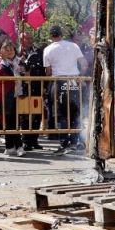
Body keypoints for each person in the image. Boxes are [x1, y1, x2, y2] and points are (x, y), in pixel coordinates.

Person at [43, 25, 87, 155]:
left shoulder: (48, 49)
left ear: (51, 36)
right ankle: (74, 142)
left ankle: (64, 143)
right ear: (61, 34)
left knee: (62, 114)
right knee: (75, 113)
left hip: (59, 82)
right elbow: (84, 64)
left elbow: (48, 71)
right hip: (74, 81)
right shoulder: (73, 46)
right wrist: (79, 77)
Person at [0, 40, 25, 156]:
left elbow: (22, 74)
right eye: (6, 49)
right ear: (1, 51)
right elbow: (5, 75)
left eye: (11, 49)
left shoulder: (17, 61)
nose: (9, 51)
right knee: (10, 122)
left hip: (15, 94)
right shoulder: (0, 63)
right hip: (5, 95)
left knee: (14, 121)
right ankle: (14, 146)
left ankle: (13, 146)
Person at [18, 31, 46, 152]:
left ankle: (34, 140)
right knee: (25, 115)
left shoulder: (39, 52)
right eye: (26, 38)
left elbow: (44, 69)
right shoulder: (16, 52)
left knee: (36, 114)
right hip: (23, 89)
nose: (29, 40)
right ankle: (25, 141)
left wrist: (45, 85)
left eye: (30, 38)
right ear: (21, 40)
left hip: (37, 87)